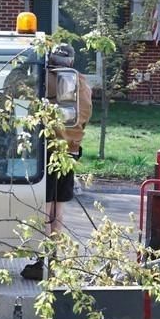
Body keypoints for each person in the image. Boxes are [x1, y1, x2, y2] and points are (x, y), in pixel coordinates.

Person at [45, 43, 93, 234]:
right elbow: (85, 117)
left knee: (44, 208)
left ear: (51, 59)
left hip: (47, 152)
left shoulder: (42, 78)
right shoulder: (82, 84)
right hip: (71, 152)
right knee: (59, 209)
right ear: (71, 61)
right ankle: (55, 256)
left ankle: (41, 258)